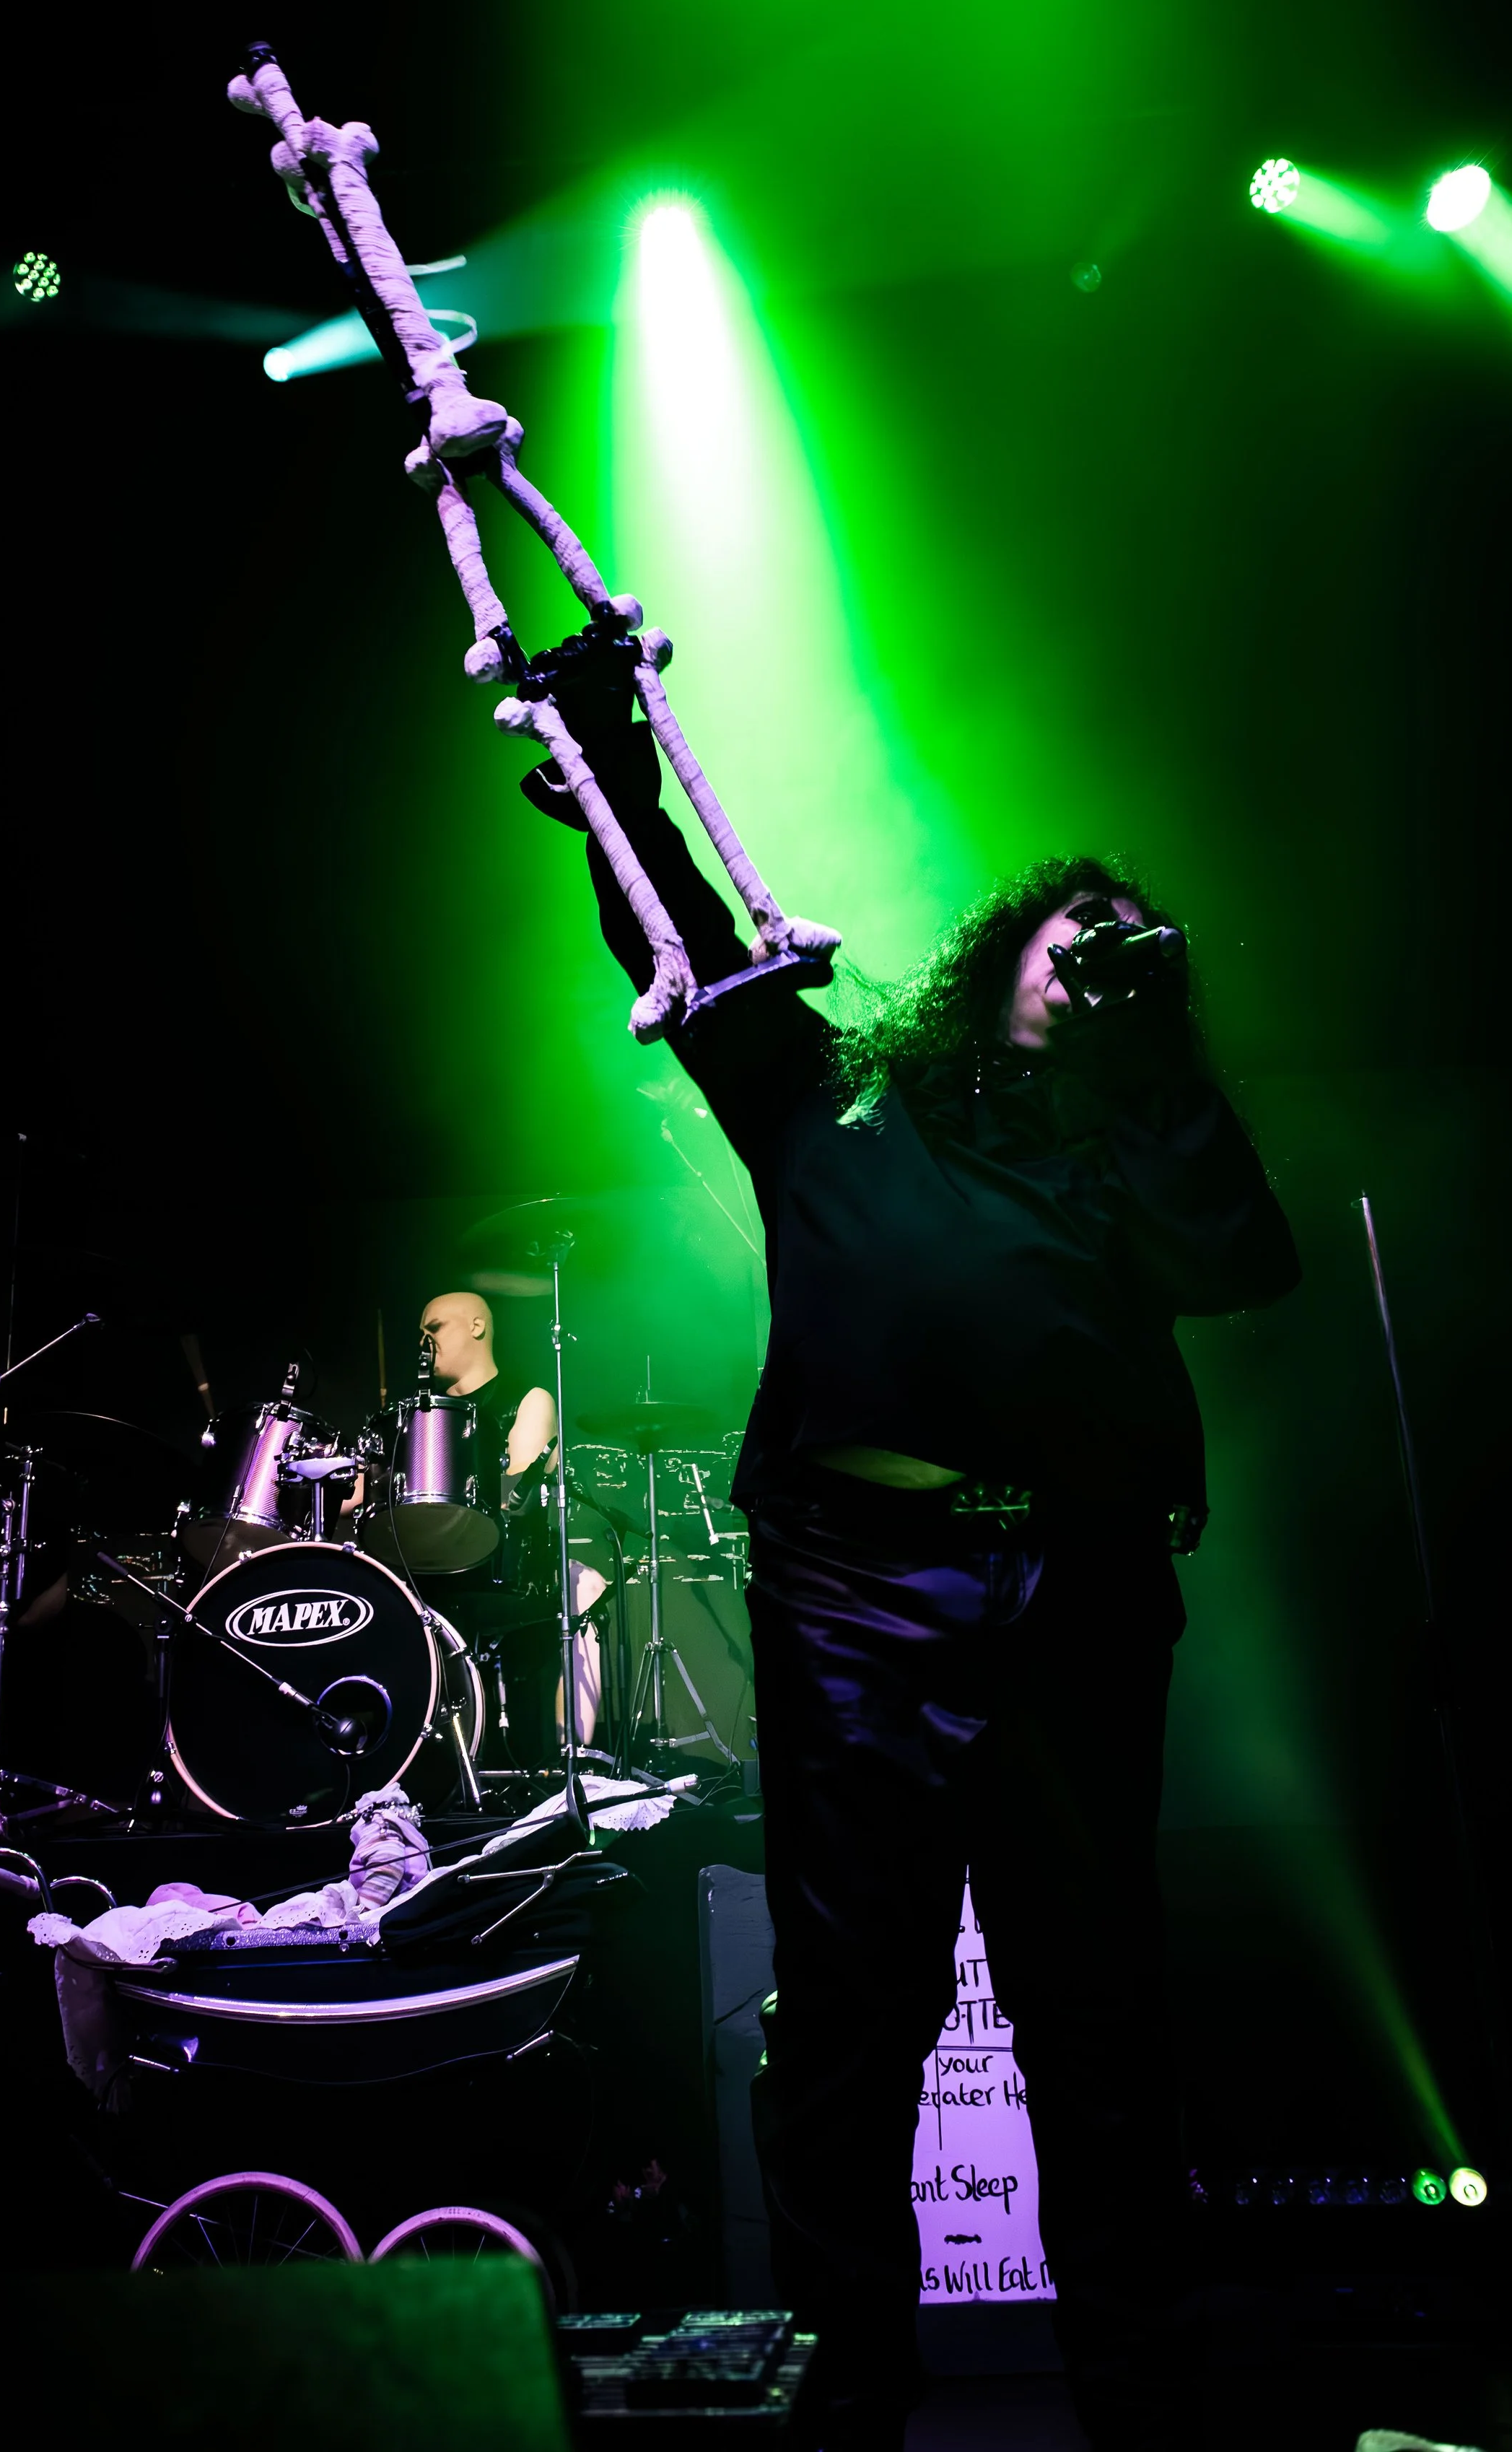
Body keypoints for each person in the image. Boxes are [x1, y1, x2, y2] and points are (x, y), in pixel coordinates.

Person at [521, 685, 1299, 2451]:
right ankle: (848, 2405)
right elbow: (696, 966)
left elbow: (1245, 1259)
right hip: (854, 1597)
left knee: (1094, 2018)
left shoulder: (1122, 1149)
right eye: (1072, 926)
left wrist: (1150, 1052)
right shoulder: (842, 1103)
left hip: (1075, 1598)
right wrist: (618, 773)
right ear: (998, 953)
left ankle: (1140, 2409)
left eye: (1128, 941)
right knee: (849, 2021)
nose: (1095, 951)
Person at [355, 1290, 608, 1758]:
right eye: (419, 1335)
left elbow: (518, 1489)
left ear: (477, 1327)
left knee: (586, 1585)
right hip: (422, 1573)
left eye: (434, 1329)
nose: (424, 1343)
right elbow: (361, 1498)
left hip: (506, 1570)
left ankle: (569, 1763)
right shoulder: (410, 1415)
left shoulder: (527, 1399)